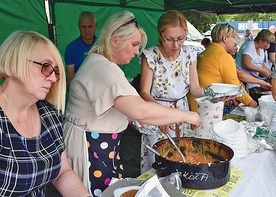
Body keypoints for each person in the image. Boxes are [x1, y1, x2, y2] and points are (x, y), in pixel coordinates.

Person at [63, 10, 201, 197]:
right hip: (90, 148)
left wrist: (130, 117)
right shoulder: (102, 68)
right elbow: (140, 109)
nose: (137, 51)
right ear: (115, 41)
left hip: (100, 145)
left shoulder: (102, 63)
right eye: (134, 44)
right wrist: (188, 115)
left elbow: (120, 106)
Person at [0, 31, 90, 196]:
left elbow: (62, 172)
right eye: (45, 67)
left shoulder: (49, 114)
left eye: (55, 71)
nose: (54, 79)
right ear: (14, 63)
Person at [139, 10, 204, 173]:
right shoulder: (151, 56)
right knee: (160, 160)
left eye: (181, 39)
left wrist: (213, 94)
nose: (176, 45)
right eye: (170, 39)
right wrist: (163, 114)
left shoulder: (189, 54)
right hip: (156, 110)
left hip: (182, 110)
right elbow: (144, 92)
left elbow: (195, 88)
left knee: (182, 157)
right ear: (161, 35)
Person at [188, 23, 257, 113]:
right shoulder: (223, 56)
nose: (235, 42)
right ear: (225, 39)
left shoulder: (209, 51)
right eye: (233, 38)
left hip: (195, 101)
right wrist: (252, 103)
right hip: (205, 105)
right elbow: (235, 87)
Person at [65, 11, 97, 88]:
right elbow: (70, 76)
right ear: (79, 27)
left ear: (95, 26)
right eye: (83, 27)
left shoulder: (102, 45)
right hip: (80, 89)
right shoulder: (71, 48)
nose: (87, 30)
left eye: (90, 26)